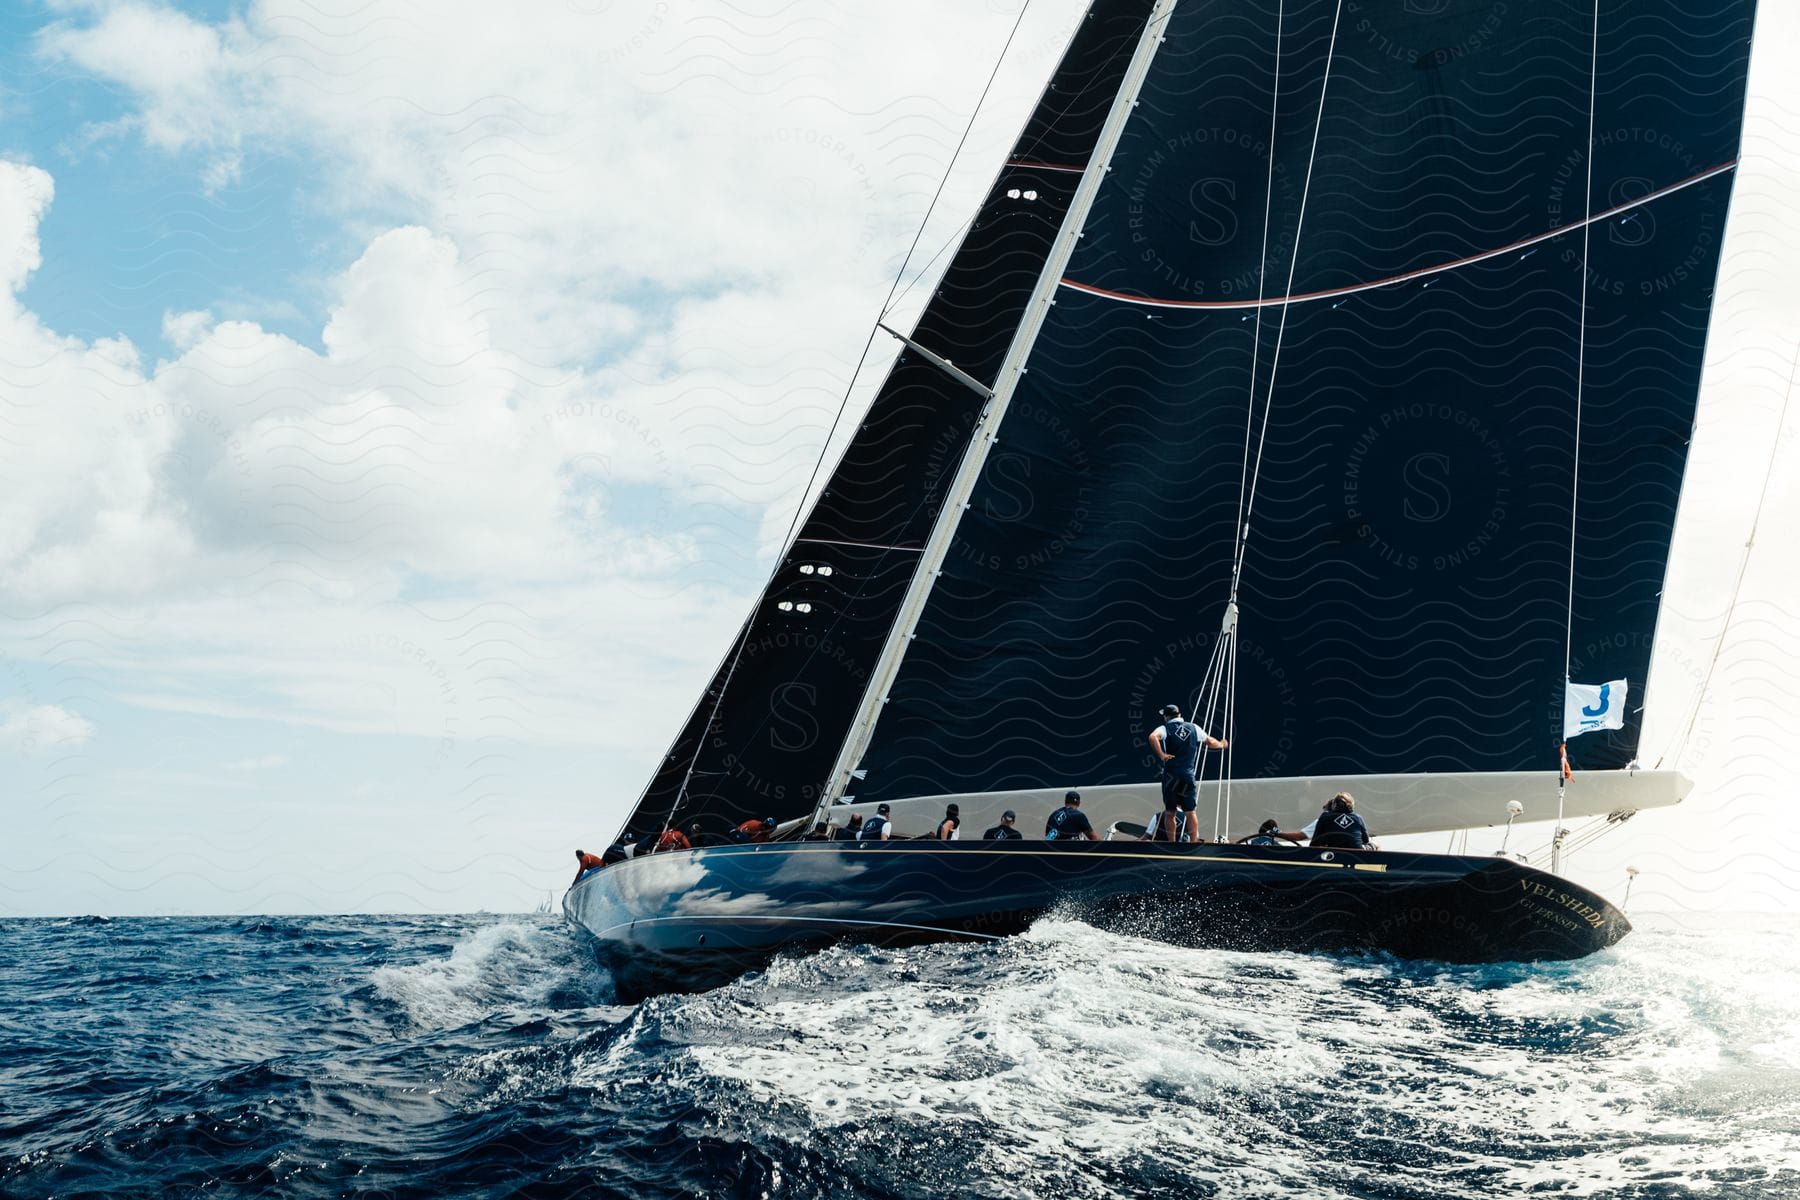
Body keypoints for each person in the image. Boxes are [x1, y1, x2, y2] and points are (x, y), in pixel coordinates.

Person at [1148, 703, 1227, 844]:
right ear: (1179, 715)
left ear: (1166, 717)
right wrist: (1222, 744)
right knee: (1190, 812)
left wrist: (1162, 755)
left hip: (1171, 776)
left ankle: (1172, 844)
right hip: (1188, 775)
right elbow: (1209, 741)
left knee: (1170, 812)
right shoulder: (1194, 727)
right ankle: (1193, 842)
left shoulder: (1164, 728)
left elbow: (1153, 737)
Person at [1295, 792, 1377, 850]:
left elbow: (1315, 842)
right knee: (1377, 845)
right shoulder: (1358, 817)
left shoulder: (1325, 816)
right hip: (1358, 851)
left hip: (1334, 851)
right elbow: (1365, 841)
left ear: (1334, 805)